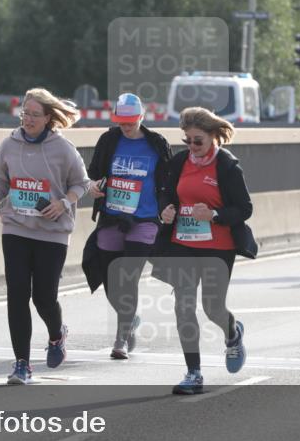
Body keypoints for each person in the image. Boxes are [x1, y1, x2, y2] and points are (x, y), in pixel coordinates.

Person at [0, 88, 89, 385]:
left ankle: (57, 335)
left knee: (43, 298)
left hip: (51, 233)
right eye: (24, 113)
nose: (27, 119)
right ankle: (22, 365)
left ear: (48, 118)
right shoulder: (9, 145)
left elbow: (81, 184)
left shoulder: (63, 149)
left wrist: (63, 203)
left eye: (34, 115)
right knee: (17, 294)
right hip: (16, 227)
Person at [155, 107, 257, 395]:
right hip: (183, 244)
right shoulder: (179, 162)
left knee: (212, 308)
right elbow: (165, 192)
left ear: (214, 137)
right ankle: (193, 372)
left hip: (218, 247)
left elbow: (245, 209)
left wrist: (213, 215)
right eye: (186, 140)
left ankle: (232, 333)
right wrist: (166, 209)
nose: (191, 147)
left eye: (197, 140)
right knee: (183, 307)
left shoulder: (226, 166)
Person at [84, 93, 172, 359]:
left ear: (141, 117)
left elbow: (168, 179)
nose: (126, 126)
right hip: (112, 217)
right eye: (121, 121)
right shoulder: (109, 140)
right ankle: (130, 318)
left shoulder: (157, 143)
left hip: (145, 220)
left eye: (130, 121)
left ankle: (120, 338)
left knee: (128, 277)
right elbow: (93, 173)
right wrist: (95, 186)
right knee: (111, 280)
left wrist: (168, 206)